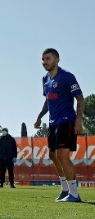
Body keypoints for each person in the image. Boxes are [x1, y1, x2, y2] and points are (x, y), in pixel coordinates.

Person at [34, 48, 85, 202]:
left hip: (67, 120)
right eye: (43, 59)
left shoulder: (67, 77)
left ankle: (74, 194)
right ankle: (64, 189)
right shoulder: (45, 79)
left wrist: (78, 121)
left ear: (57, 60)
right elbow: (47, 101)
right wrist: (39, 117)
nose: (45, 62)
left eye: (48, 58)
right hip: (53, 122)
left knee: (62, 156)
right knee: (53, 155)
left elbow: (80, 99)